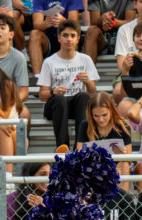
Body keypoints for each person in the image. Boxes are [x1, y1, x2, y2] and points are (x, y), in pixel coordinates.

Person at [38, 20, 98, 148]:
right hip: (55, 106)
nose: (68, 39)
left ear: (77, 39)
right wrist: (52, 92)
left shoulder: (85, 59)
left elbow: (93, 92)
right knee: (60, 99)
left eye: (72, 36)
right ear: (59, 38)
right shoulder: (49, 62)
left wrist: (87, 81)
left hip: (76, 106)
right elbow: (42, 95)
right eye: (65, 35)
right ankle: (62, 147)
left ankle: (80, 146)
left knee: (83, 96)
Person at [28, 0, 83, 77]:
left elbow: (74, 24)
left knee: (72, 34)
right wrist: (46, 23)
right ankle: (38, 76)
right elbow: (36, 24)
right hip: (49, 38)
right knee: (34, 33)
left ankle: (72, 73)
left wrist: (63, 21)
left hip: (67, 36)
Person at [84, 0, 135, 67]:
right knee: (91, 31)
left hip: (122, 35)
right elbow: (94, 21)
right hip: (102, 37)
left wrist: (113, 22)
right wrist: (103, 18)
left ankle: (129, 73)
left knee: (133, 30)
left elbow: (130, 22)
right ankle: (89, 74)